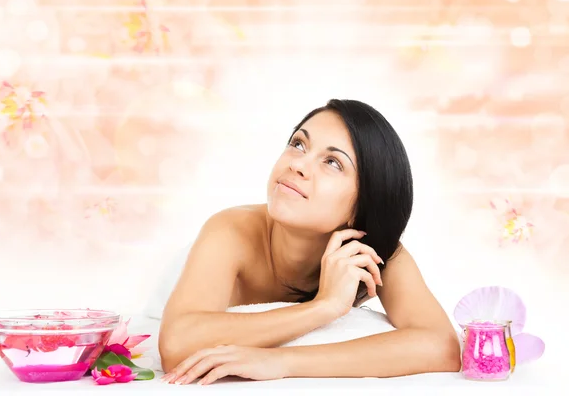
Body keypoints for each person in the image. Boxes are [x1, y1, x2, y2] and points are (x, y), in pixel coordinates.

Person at [158, 99, 460, 386]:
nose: (298, 165)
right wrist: (323, 307)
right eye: (298, 144)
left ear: (363, 205)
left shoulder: (373, 252)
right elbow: (176, 345)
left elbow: (440, 346)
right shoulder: (229, 230)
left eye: (332, 162)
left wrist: (281, 362)